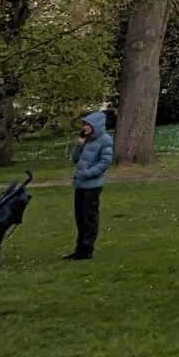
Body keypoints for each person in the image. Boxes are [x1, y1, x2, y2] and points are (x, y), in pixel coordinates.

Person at [66, 106, 112, 260]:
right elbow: (75, 159)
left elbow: (105, 162)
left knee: (89, 217)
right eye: (84, 124)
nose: (85, 127)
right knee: (80, 218)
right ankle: (80, 248)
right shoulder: (86, 140)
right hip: (80, 184)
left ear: (95, 125)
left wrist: (88, 173)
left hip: (92, 185)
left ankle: (87, 249)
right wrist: (79, 144)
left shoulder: (105, 140)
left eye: (88, 124)